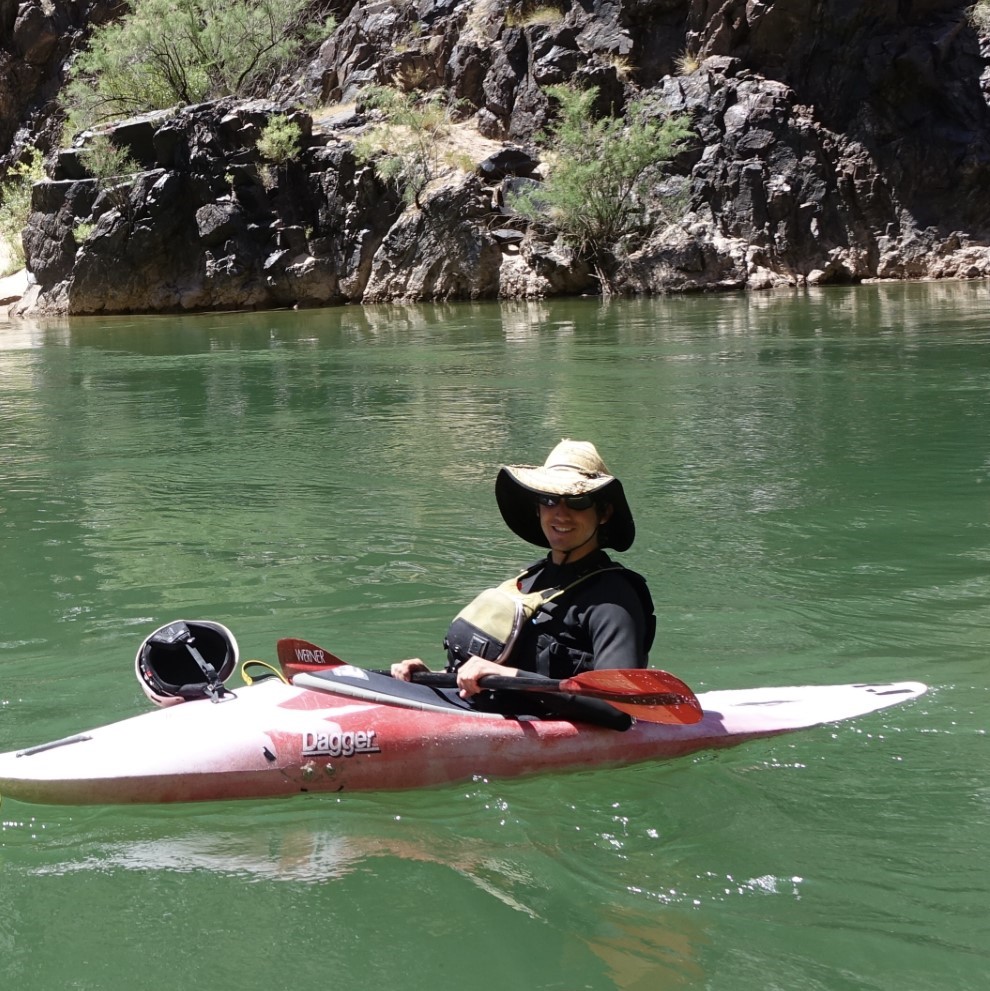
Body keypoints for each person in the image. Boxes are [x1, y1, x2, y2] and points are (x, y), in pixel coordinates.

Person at [391, 440, 655, 708]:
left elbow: (617, 706)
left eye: (578, 501)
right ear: (538, 508)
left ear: (604, 513)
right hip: (480, 713)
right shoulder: (528, 581)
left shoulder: (615, 598)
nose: (560, 514)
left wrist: (509, 676)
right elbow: (495, 671)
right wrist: (431, 679)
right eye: (549, 499)